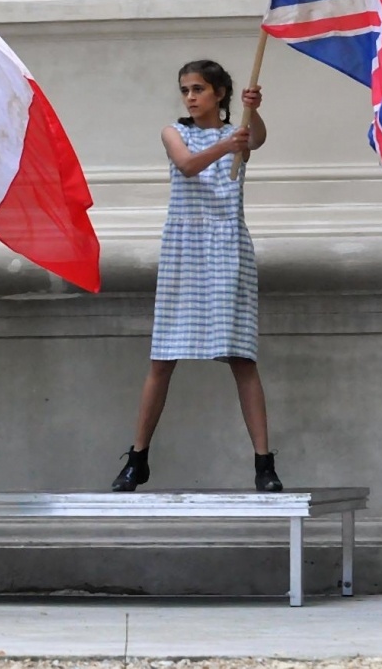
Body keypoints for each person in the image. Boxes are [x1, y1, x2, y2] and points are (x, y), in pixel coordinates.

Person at [111, 60, 283, 493]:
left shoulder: (238, 130)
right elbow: (186, 165)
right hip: (185, 246)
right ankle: (137, 457)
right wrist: (228, 145)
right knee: (163, 357)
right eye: (186, 89)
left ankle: (264, 463)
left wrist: (252, 110)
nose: (190, 96)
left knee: (242, 357)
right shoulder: (176, 131)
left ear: (219, 93)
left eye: (199, 89)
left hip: (226, 245)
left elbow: (257, 138)